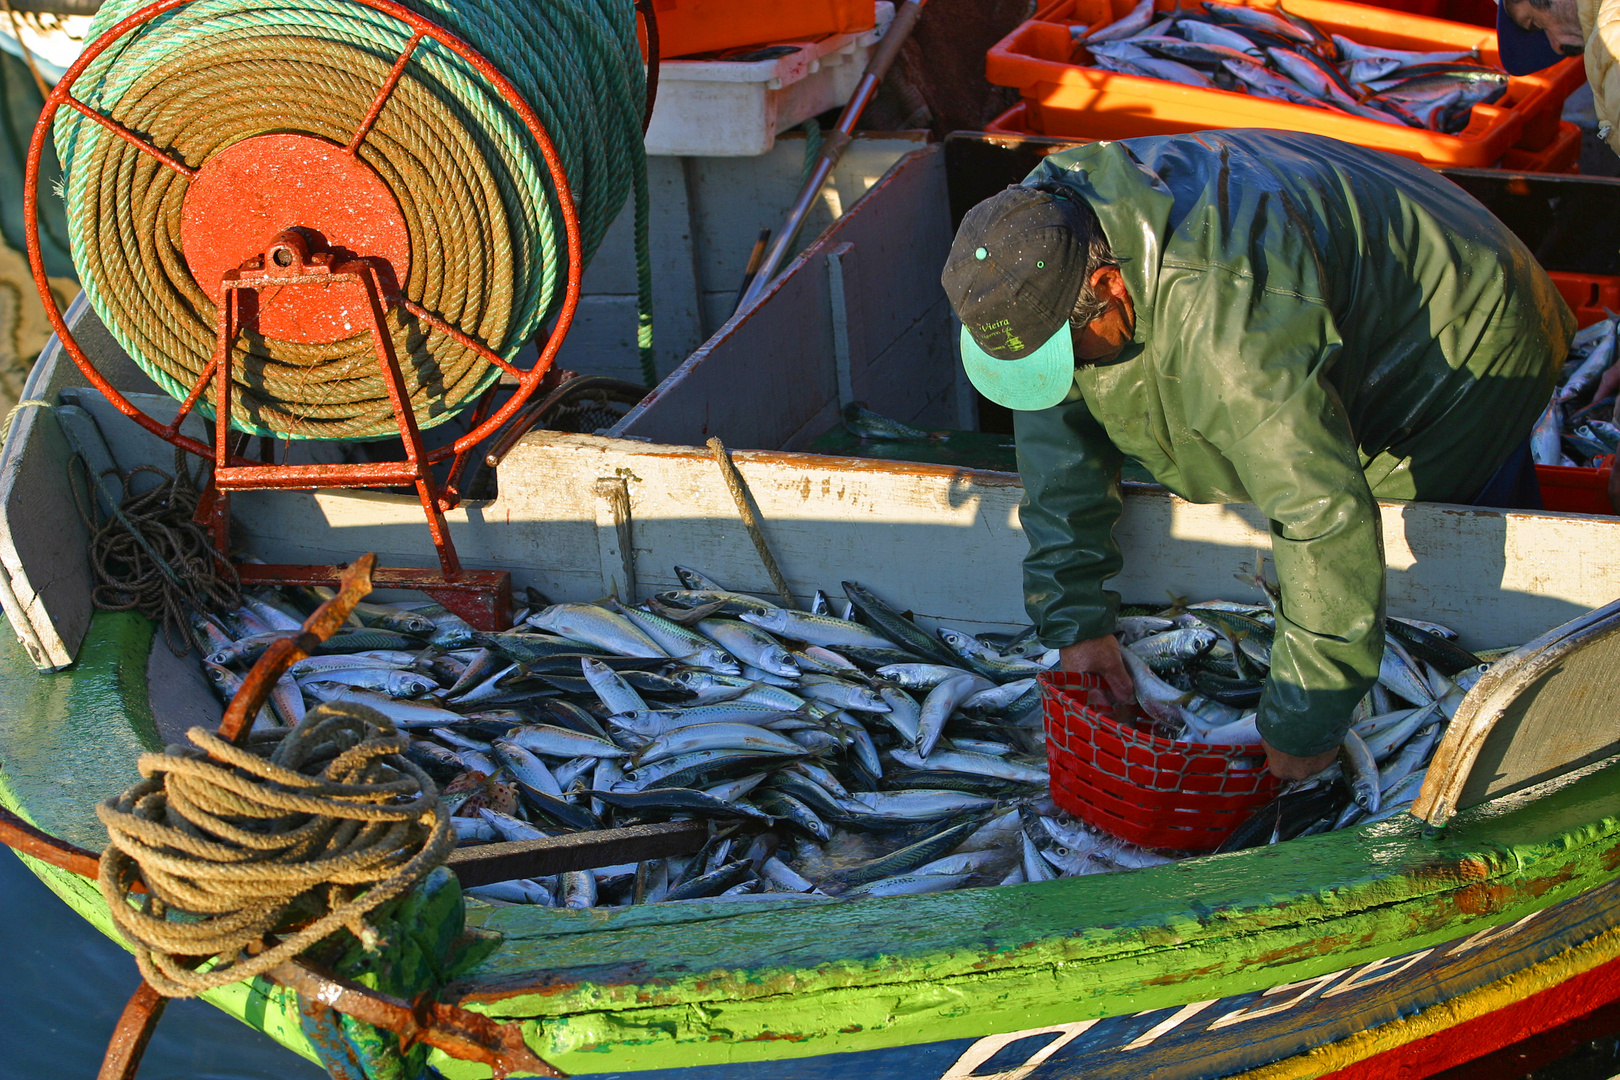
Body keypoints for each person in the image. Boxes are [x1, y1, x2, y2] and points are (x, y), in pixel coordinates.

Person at [940, 130, 1573, 780]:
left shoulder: (1231, 332)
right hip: (1339, 271)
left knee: (1447, 577)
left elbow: (1321, 513)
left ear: (1108, 285)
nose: (1063, 372)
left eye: (1064, 352)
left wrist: (1306, 718)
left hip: (1467, 337)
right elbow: (1056, 429)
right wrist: (1074, 619)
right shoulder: (1035, 241)